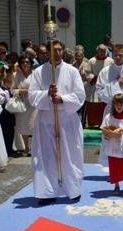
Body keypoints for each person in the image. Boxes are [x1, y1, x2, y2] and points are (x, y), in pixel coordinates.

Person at [28, 40, 86, 205]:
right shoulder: (39, 72)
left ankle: (72, 188)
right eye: (54, 50)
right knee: (46, 156)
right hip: (46, 119)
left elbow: (80, 95)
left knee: (70, 154)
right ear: (47, 52)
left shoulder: (72, 71)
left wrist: (62, 99)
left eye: (60, 50)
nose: (58, 53)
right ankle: (47, 191)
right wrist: (47, 94)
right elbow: (32, 96)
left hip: (67, 119)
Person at [84, 44, 113, 127]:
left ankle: (104, 125)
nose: (102, 53)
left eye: (104, 51)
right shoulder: (91, 61)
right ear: (98, 51)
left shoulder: (110, 61)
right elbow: (88, 73)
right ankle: (92, 125)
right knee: (94, 108)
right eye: (101, 51)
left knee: (104, 108)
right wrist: (96, 78)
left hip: (106, 88)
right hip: (94, 88)